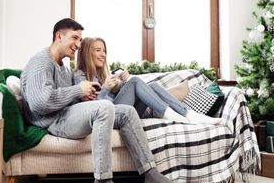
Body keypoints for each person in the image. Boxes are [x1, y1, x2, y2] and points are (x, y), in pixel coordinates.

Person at [20, 18, 187, 183]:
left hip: (65, 114)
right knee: (105, 107)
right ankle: (103, 181)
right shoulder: (41, 62)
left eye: (80, 40)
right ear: (59, 36)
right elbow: (39, 103)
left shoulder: (63, 67)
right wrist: (77, 90)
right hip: (54, 122)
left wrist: (81, 95)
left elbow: (63, 96)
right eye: (74, 38)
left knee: (127, 112)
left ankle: (151, 174)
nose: (77, 44)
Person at [73, 37, 222, 125]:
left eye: (104, 50)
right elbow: (92, 107)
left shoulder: (102, 74)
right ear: (87, 53)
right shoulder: (80, 75)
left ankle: (188, 114)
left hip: (124, 112)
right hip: (109, 118)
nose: (103, 54)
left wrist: (121, 84)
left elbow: (114, 98)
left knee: (154, 86)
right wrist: (105, 88)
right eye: (98, 50)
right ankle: (172, 115)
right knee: (136, 82)